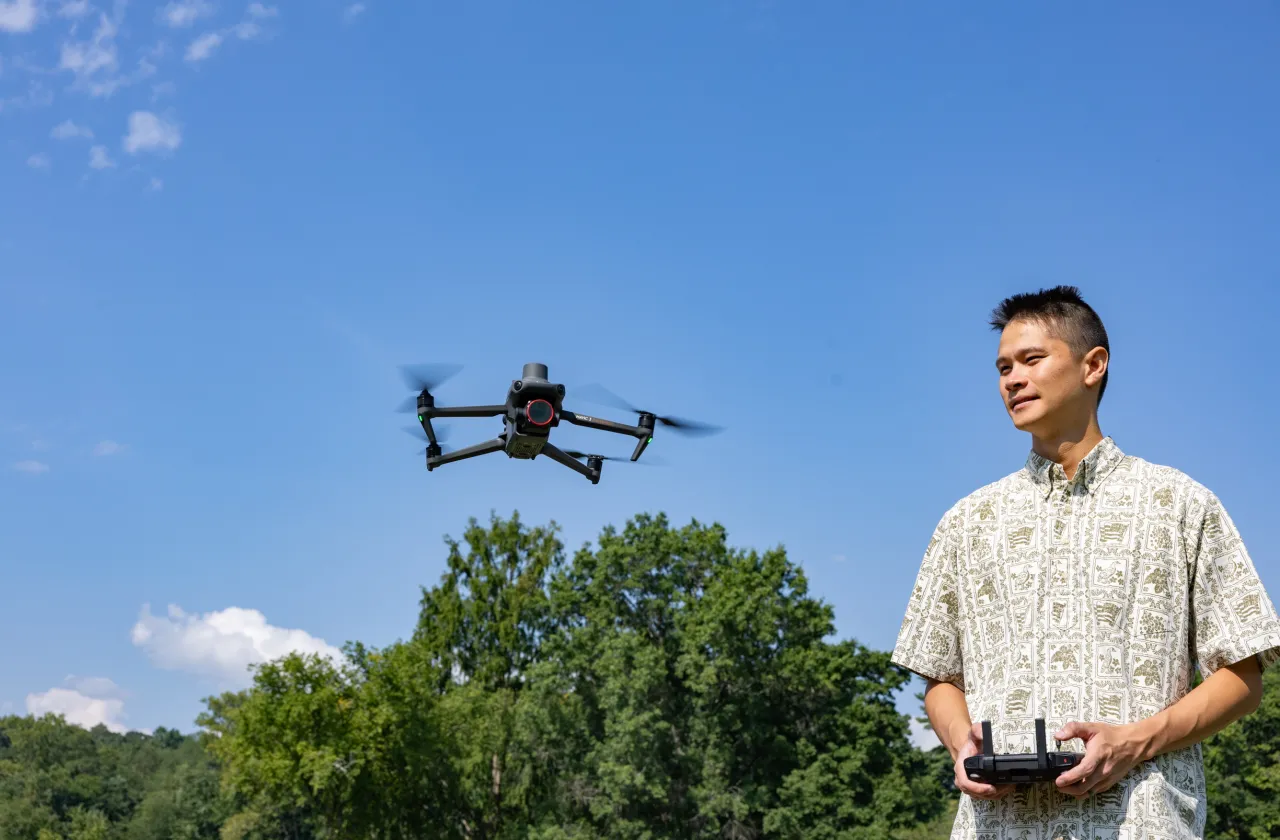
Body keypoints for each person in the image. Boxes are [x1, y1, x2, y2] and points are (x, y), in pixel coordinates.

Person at [890, 286, 1280, 840]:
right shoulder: (965, 522)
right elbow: (940, 677)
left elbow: (1243, 677)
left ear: (1093, 365)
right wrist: (962, 745)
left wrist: (1136, 741)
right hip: (998, 826)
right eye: (1002, 367)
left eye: (1031, 359)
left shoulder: (1180, 504)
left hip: (1139, 821)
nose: (1012, 379)